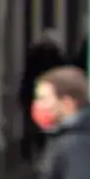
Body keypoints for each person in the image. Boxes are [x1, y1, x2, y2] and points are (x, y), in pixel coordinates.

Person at [17, 30, 64, 166]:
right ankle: (44, 155)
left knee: (33, 127)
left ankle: (32, 153)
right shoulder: (56, 59)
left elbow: (27, 79)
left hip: (34, 98)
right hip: (48, 98)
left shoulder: (34, 58)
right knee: (49, 127)